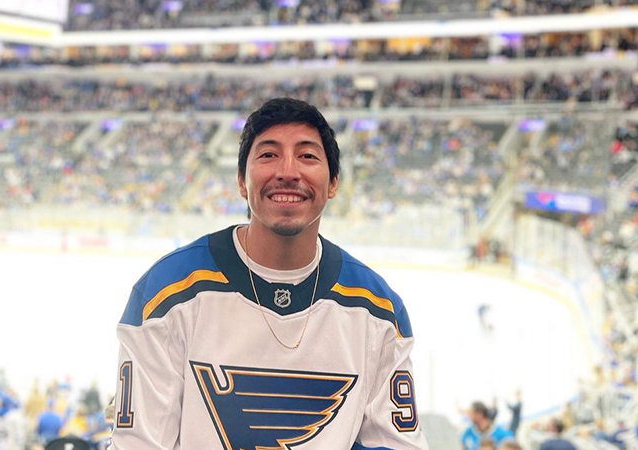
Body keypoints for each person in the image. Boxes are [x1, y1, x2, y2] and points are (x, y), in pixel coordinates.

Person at [110, 98, 429, 450]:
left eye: (307, 156)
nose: (288, 172)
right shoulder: (166, 293)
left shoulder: (378, 310)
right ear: (241, 182)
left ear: (333, 182)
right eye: (268, 155)